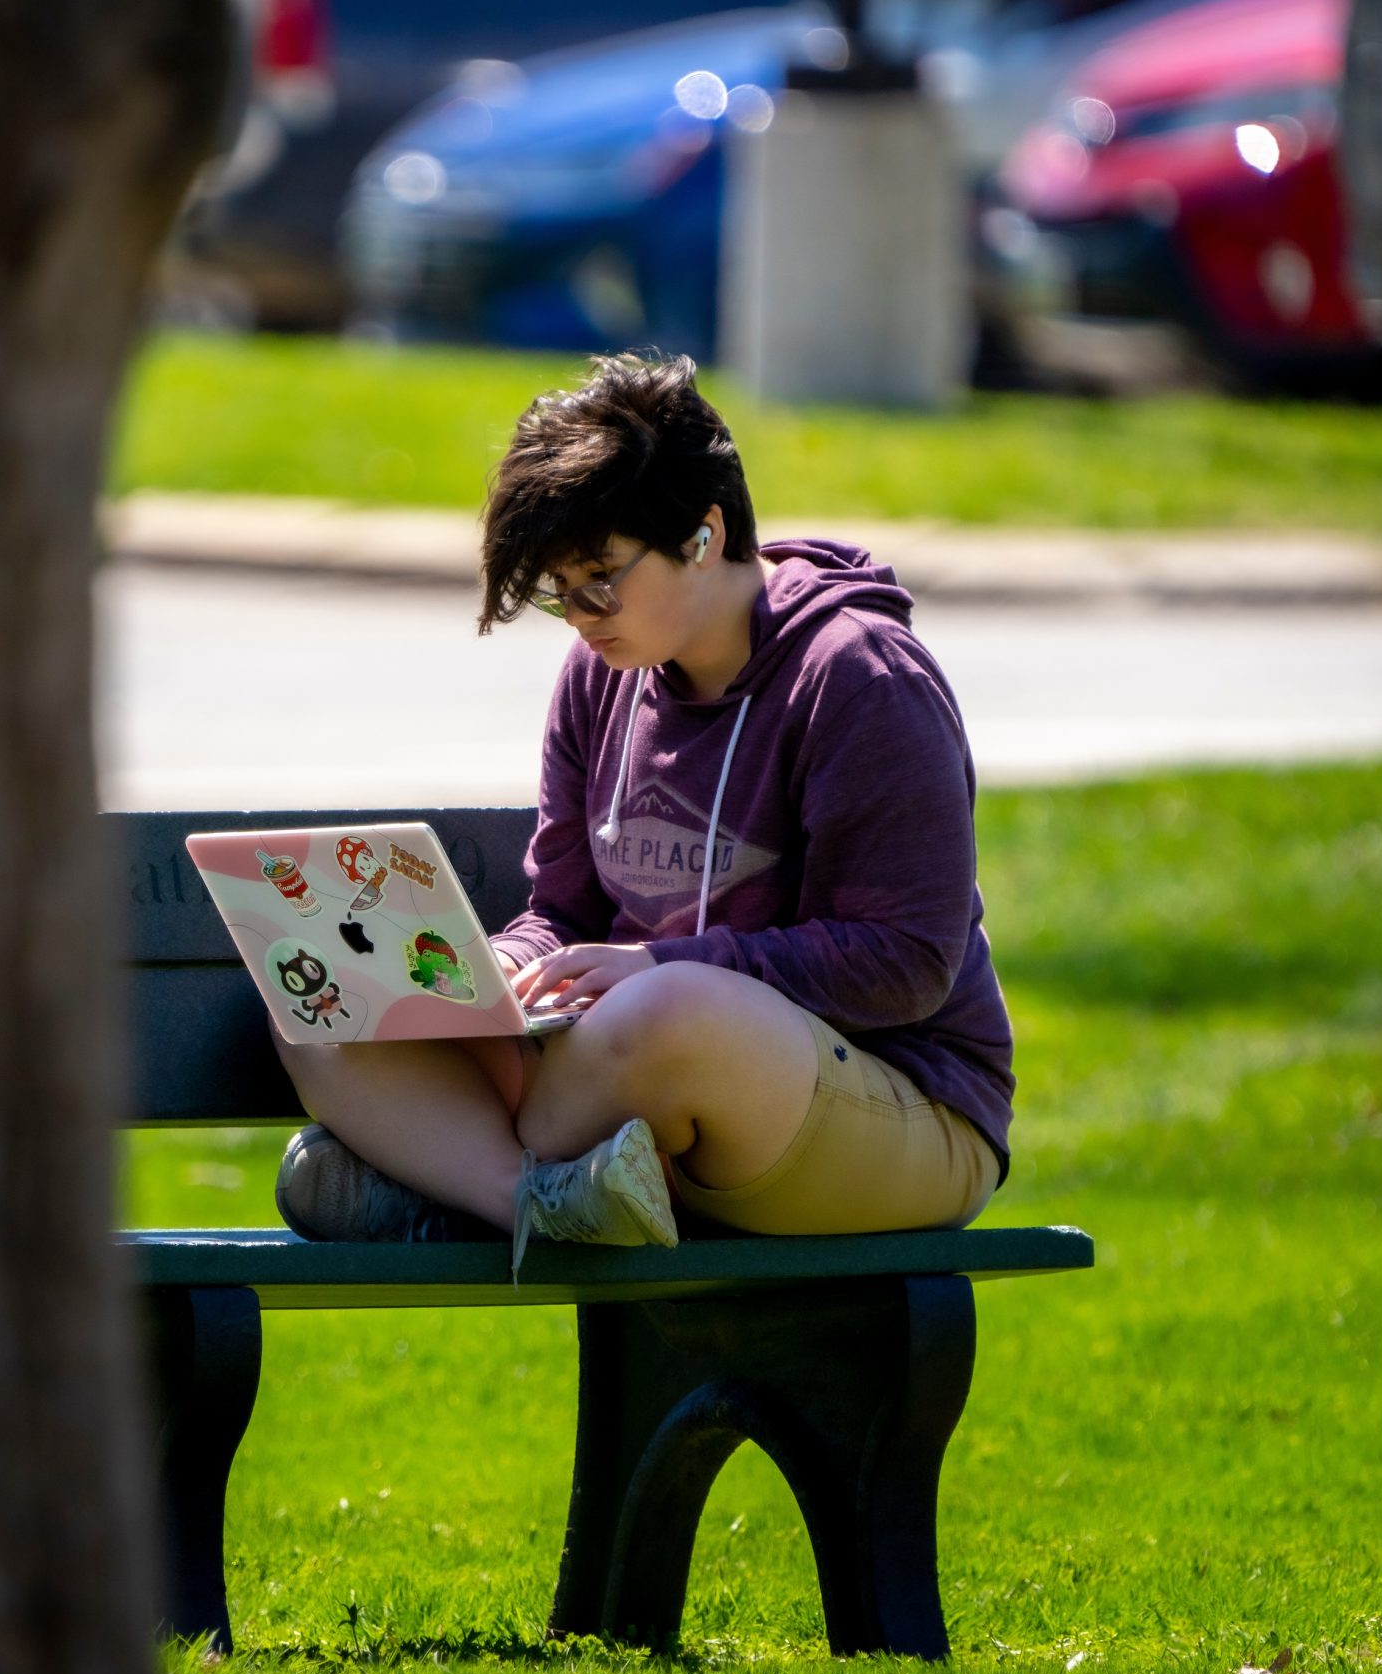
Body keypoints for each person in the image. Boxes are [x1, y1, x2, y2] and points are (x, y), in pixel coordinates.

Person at [272, 354, 1014, 1269]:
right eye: (557, 589)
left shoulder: (859, 678)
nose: (580, 614)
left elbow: (908, 962)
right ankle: (531, 1202)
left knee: (669, 1009)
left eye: (600, 577)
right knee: (318, 992)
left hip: (901, 1107)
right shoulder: (600, 675)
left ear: (703, 535)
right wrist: (495, 971)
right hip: (631, 1095)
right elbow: (565, 914)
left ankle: (436, 1177)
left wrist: (659, 962)